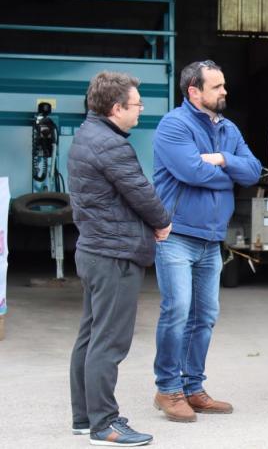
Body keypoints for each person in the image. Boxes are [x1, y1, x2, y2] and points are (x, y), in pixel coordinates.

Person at [150, 60, 261, 422]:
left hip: (211, 239)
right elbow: (190, 172)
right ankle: (168, 390)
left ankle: (193, 387)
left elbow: (254, 171)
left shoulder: (228, 129)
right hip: (176, 236)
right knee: (178, 310)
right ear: (194, 92)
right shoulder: (173, 125)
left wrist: (221, 159)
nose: (224, 91)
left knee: (205, 316)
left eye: (224, 85)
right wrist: (228, 172)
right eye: (216, 87)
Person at [69, 70, 172, 446]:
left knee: (91, 336)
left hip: (96, 250)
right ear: (116, 108)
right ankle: (104, 424)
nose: (140, 110)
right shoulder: (110, 144)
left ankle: (85, 418)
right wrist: (162, 223)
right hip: (113, 253)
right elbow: (140, 191)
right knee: (109, 342)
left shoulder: (89, 134)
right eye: (136, 105)